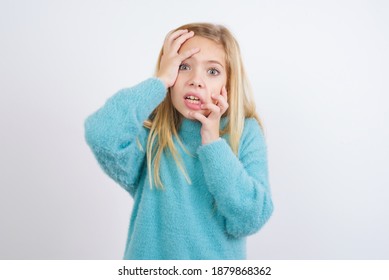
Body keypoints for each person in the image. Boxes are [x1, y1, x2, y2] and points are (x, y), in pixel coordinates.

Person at [84, 22, 273, 260]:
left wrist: (213, 143)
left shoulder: (244, 132)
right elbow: (102, 135)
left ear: (229, 83)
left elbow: (250, 218)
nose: (196, 80)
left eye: (212, 71)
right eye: (184, 66)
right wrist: (159, 81)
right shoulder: (152, 131)